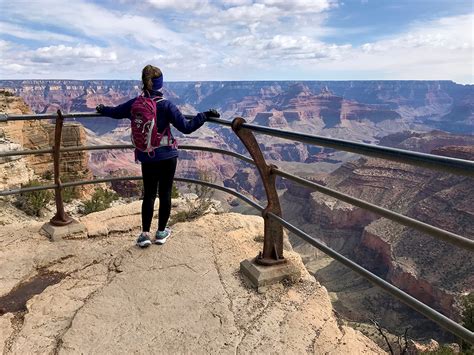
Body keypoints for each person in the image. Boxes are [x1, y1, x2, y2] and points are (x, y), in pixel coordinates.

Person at [96, 65, 220, 248]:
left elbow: (114, 112)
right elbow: (186, 127)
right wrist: (205, 115)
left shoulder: (135, 103)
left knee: (149, 195)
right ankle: (161, 232)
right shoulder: (166, 105)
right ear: (160, 84)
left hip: (147, 155)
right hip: (167, 155)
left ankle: (145, 234)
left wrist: (101, 108)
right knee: (165, 193)